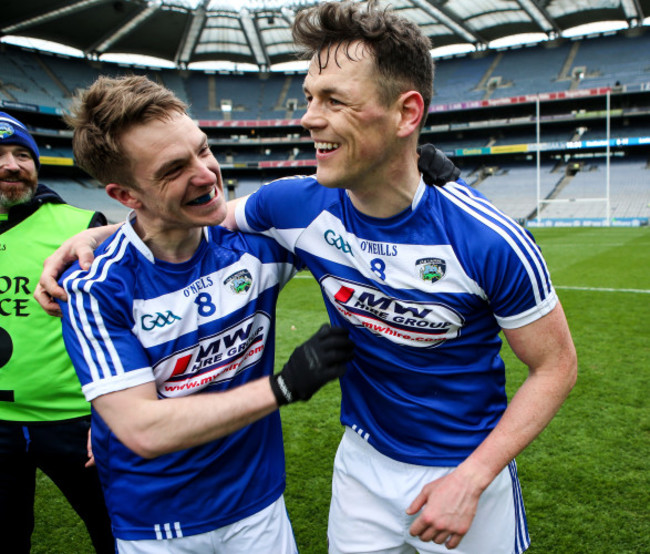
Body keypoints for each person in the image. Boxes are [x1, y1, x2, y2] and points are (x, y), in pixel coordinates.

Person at [35, 3, 577, 551]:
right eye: (309, 98)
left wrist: (473, 477)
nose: (308, 117)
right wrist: (93, 238)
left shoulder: (490, 238)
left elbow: (555, 366)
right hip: (361, 466)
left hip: (466, 469)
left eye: (333, 100)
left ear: (406, 112)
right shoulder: (293, 205)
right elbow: (185, 218)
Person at [50, 75, 355, 554]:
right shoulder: (95, 288)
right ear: (126, 196)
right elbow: (142, 428)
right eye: (173, 169)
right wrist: (283, 387)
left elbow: (358, 209)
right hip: (157, 521)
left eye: (203, 148)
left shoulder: (258, 245)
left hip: (259, 505)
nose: (206, 173)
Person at [0, 112, 115, 553]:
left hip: (77, 420)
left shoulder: (82, 227)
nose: (13, 164)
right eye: (1, 155)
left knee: (118, 534)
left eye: (23, 154)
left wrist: (109, 412)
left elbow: (122, 324)